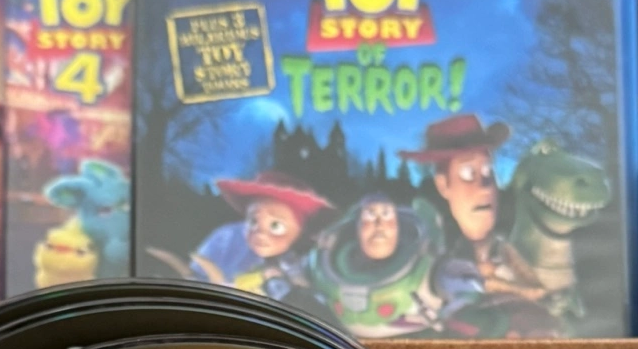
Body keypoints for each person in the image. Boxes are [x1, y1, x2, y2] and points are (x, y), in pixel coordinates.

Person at [399, 114, 555, 336]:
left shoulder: (511, 247)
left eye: (488, 171)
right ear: (443, 185)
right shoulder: (430, 260)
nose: (485, 187)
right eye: (467, 173)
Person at [310, 193, 445, 337]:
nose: (379, 224)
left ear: (397, 226)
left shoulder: (428, 272)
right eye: (370, 215)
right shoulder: (325, 267)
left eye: (386, 215)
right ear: (358, 226)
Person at [190, 172, 333, 299]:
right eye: (253, 221)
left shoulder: (307, 262)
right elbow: (195, 277)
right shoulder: (227, 237)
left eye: (275, 226)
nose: (260, 233)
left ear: (301, 231)